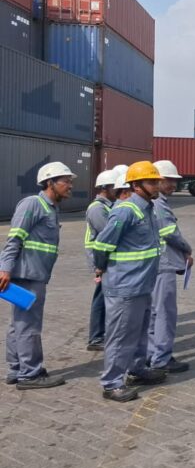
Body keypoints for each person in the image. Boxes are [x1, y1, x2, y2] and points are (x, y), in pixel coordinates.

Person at [91, 161, 167, 402]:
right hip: (125, 285)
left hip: (143, 284)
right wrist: (102, 267)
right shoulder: (125, 210)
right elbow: (102, 245)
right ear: (135, 185)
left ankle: (137, 369)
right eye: (151, 182)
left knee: (139, 331)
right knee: (121, 334)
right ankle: (112, 383)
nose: (157, 185)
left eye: (157, 181)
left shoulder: (148, 208)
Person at [0, 161, 76, 390]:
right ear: (50, 182)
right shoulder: (33, 204)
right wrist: (4, 268)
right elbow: (14, 238)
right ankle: (30, 374)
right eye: (66, 181)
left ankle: (16, 369)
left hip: (35, 274)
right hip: (27, 275)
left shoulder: (52, 208)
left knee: (19, 324)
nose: (70, 186)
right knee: (29, 325)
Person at [148, 160, 192, 373]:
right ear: (157, 180)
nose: (173, 185)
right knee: (165, 313)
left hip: (154, 264)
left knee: (154, 313)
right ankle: (162, 358)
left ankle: (151, 354)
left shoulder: (153, 202)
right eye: (170, 181)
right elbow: (169, 232)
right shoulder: (158, 204)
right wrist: (187, 249)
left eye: (175, 181)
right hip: (163, 265)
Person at [83, 170, 118, 351]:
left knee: (104, 296)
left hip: (104, 258)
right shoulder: (97, 208)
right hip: (100, 259)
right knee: (101, 297)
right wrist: (99, 266)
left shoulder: (108, 206)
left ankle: (101, 334)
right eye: (115, 187)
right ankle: (96, 338)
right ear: (105, 188)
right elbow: (108, 234)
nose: (118, 190)